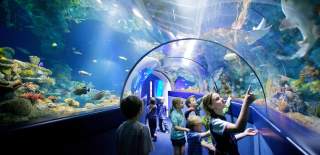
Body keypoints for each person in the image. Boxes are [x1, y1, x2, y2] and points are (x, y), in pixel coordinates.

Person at [202, 86, 258, 155]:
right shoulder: (215, 123)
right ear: (210, 106)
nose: (222, 99)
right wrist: (246, 102)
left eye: (220, 97)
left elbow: (229, 140)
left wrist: (244, 133)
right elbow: (238, 128)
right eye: (217, 99)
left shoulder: (220, 118)